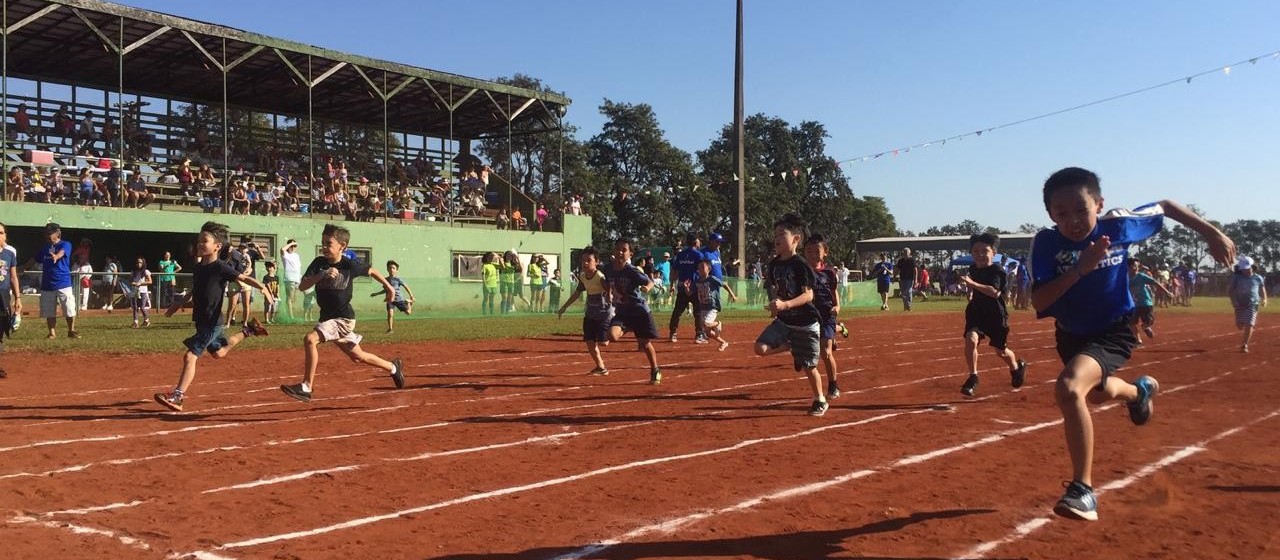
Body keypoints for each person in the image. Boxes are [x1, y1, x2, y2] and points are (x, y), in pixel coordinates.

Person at [1030, 166, 1234, 521]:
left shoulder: (1120, 226)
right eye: (1062, 214)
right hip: (1071, 332)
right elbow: (1039, 301)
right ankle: (1138, 394)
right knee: (1097, 393)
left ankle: (1083, 490)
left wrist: (1211, 233)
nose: (1074, 221)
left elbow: (1166, 206)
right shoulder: (1046, 243)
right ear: (1050, 215)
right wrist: (1081, 268)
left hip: (1115, 328)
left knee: (1069, 388)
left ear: (1099, 204)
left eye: (1082, 209)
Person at [153, 222, 272, 412]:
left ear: (217, 246)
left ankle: (178, 396)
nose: (200, 243)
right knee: (219, 353)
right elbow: (194, 289)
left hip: (212, 322)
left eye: (205, 241)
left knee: (190, 356)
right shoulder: (199, 267)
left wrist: (262, 287)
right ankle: (249, 330)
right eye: (199, 240)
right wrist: (178, 304)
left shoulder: (221, 267)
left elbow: (243, 278)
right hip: (201, 321)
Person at [280, 224, 406, 403]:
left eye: (328, 243)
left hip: (343, 319)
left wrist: (389, 289)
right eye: (322, 243)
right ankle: (393, 367)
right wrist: (321, 275)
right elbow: (302, 286)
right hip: (329, 319)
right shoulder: (319, 263)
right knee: (358, 356)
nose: (324, 247)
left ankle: (306, 387)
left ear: (342, 246)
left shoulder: (349, 265)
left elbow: (372, 271)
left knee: (310, 339)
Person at [754, 214, 827, 416]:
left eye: (781, 234)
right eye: (775, 234)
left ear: (795, 239)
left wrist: (785, 304)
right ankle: (789, 346)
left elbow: (809, 294)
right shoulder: (774, 264)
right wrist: (775, 306)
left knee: (809, 366)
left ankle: (819, 399)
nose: (776, 238)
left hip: (805, 323)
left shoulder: (800, 265)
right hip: (784, 321)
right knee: (759, 348)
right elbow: (776, 288)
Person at [958, 233, 1028, 397]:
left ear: (994, 253)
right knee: (971, 339)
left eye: (985, 251)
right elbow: (972, 285)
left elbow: (994, 292)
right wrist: (969, 291)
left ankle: (1017, 367)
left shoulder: (997, 270)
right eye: (976, 251)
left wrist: (972, 284)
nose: (980, 255)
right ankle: (973, 377)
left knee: (1000, 351)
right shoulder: (973, 269)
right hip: (976, 312)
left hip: (995, 315)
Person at [604, 239, 663, 384]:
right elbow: (605, 281)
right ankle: (628, 327)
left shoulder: (632, 271)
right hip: (623, 311)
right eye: (617, 249)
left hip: (639, 311)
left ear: (630, 254)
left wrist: (648, 288)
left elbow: (649, 281)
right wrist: (608, 291)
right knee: (612, 335)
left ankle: (655, 369)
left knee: (644, 343)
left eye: (624, 250)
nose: (620, 252)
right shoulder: (608, 268)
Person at [557, 246, 613, 375]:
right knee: (589, 340)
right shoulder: (582, 276)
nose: (585, 263)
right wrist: (564, 307)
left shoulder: (600, 276)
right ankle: (601, 367)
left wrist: (609, 295)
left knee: (603, 342)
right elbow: (577, 293)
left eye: (589, 260)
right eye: (583, 261)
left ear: (596, 262)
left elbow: (609, 287)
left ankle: (615, 328)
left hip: (604, 313)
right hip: (590, 313)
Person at [803, 233, 843, 399]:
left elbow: (834, 292)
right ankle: (839, 329)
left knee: (826, 353)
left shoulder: (830, 273)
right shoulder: (803, 271)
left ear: (825, 251)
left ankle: (833, 384)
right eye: (809, 251)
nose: (812, 255)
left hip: (826, 315)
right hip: (809, 317)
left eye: (816, 251)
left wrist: (837, 306)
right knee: (809, 354)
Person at [39, 223, 79, 339]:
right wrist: (24, 267)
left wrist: (56, 256)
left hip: (63, 282)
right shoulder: (45, 248)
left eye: (50, 233)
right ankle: (52, 332)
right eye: (46, 233)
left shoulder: (66, 244)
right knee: (49, 310)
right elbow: (35, 259)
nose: (47, 236)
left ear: (58, 233)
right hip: (47, 284)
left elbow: (62, 252)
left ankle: (71, 330)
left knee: (69, 308)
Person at [694, 256, 738, 352]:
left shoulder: (712, 279)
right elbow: (690, 293)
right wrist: (686, 288)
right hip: (703, 307)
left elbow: (724, 285)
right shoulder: (697, 281)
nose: (700, 270)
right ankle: (723, 343)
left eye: (703, 267)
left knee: (706, 324)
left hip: (712, 307)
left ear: (709, 269)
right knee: (708, 332)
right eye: (699, 268)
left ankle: (718, 323)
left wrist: (733, 295)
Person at [1127, 259, 1172, 347]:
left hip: (1146, 303)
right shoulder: (1126, 278)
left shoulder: (1141, 276)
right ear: (1128, 267)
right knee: (1132, 322)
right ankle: (1138, 341)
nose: (1136, 268)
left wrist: (1167, 292)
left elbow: (1155, 282)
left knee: (1149, 321)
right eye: (1133, 266)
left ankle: (1145, 327)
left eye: (1137, 266)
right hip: (1134, 305)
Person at [669, 232, 703, 342]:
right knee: (698, 312)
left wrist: (672, 284)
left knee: (678, 311)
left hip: (682, 286)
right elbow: (703, 270)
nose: (700, 242)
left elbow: (674, 271)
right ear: (695, 241)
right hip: (695, 287)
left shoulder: (680, 254)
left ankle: (673, 333)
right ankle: (699, 335)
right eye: (698, 240)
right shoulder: (698, 255)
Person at [1228, 256, 1267, 353]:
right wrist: (1233, 301)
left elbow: (1262, 289)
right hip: (1239, 304)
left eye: (1247, 268)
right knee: (1240, 325)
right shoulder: (1237, 277)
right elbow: (1230, 290)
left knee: (1250, 324)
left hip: (1253, 304)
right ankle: (1241, 326)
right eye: (1243, 269)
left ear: (1252, 266)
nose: (1245, 271)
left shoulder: (1258, 278)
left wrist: (1265, 299)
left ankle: (1244, 345)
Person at [370, 260, 415, 333]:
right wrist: (376, 294)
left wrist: (411, 296)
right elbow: (385, 290)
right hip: (390, 299)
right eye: (390, 268)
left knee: (408, 313)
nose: (392, 269)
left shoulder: (398, 279)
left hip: (398, 299)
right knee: (390, 313)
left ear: (396, 270)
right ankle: (390, 329)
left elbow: (406, 287)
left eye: (393, 268)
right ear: (387, 269)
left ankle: (408, 303)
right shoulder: (385, 280)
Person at [0, 223, 20, 378]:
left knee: (1, 330)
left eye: (1, 233)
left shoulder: (9, 254)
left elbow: (13, 277)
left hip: (4, 297)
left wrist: (17, 298)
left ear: (5, 235)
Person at [280, 239, 302, 319]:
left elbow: (298, 267)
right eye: (291, 246)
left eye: (294, 246)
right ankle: (290, 316)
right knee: (289, 297)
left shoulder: (296, 255)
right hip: (289, 278)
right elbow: (282, 249)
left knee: (293, 298)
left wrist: (300, 278)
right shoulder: (285, 254)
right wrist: (291, 243)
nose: (293, 247)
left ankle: (289, 313)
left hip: (296, 279)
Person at [129, 256, 153, 328]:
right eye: (137, 262)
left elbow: (150, 281)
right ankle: (136, 322)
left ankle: (147, 320)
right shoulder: (133, 272)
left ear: (143, 263)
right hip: (135, 291)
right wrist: (133, 283)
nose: (138, 264)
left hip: (143, 291)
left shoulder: (146, 271)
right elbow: (130, 280)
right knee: (135, 307)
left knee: (142, 307)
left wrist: (141, 283)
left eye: (140, 262)